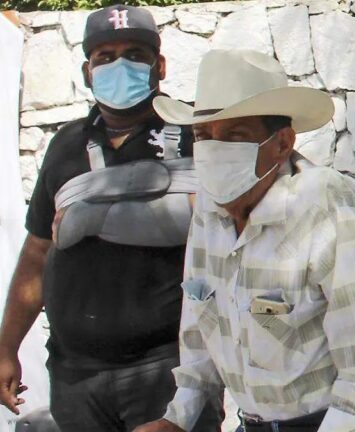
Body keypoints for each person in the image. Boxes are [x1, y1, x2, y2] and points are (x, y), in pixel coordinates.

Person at [134, 49, 355, 432]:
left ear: (282, 143)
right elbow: (200, 332)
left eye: (234, 136)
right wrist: (176, 419)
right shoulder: (209, 210)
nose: (214, 151)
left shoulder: (323, 202)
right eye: (203, 136)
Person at [0, 5, 222, 431]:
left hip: (170, 370)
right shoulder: (66, 145)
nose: (120, 65)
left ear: (160, 66)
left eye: (135, 54)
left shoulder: (199, 135)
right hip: (75, 375)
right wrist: (8, 346)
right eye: (105, 56)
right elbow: (37, 251)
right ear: (87, 72)